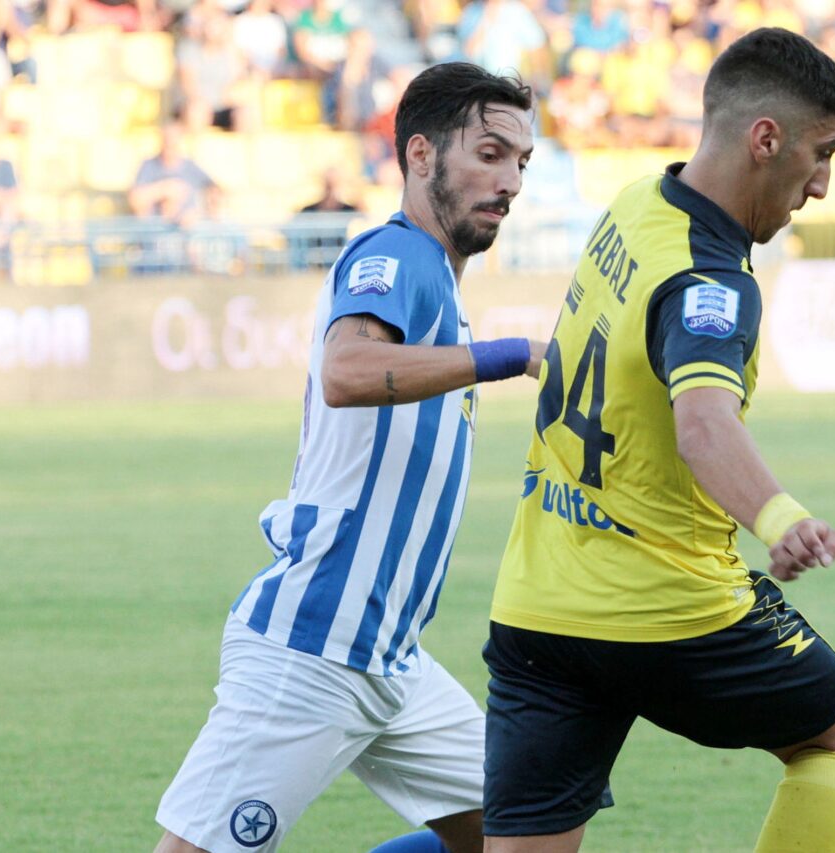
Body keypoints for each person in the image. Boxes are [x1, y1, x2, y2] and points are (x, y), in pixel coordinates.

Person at [482, 27, 835, 853]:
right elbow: (702, 422)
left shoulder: (634, 203)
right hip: (670, 611)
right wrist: (780, 517)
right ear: (765, 139)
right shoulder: (710, 280)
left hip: (538, 605)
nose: (822, 184)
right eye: (823, 153)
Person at [153, 61, 541, 853]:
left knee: (524, 834)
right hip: (314, 646)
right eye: (490, 154)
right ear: (421, 155)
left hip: (392, 656)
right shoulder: (400, 256)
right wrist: (514, 355)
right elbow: (347, 370)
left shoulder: (439, 282)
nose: (509, 181)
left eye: (521, 162)